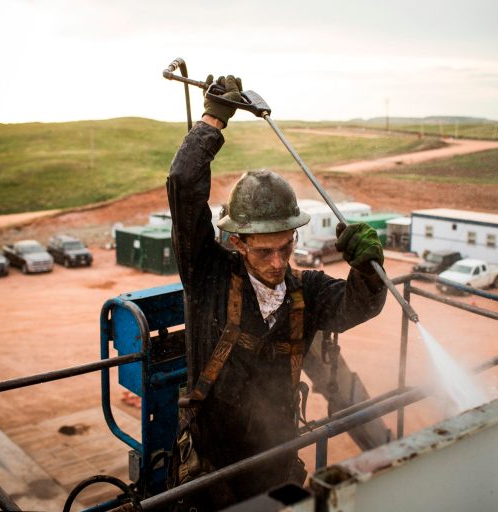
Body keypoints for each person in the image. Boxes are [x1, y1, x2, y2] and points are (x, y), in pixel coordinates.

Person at [166, 74, 387, 510]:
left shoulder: (307, 292)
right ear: (237, 241)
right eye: (265, 251)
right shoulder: (207, 276)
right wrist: (213, 121)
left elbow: (358, 306)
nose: (279, 262)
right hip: (210, 470)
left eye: (287, 247)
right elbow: (182, 183)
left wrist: (367, 269)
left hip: (277, 462)